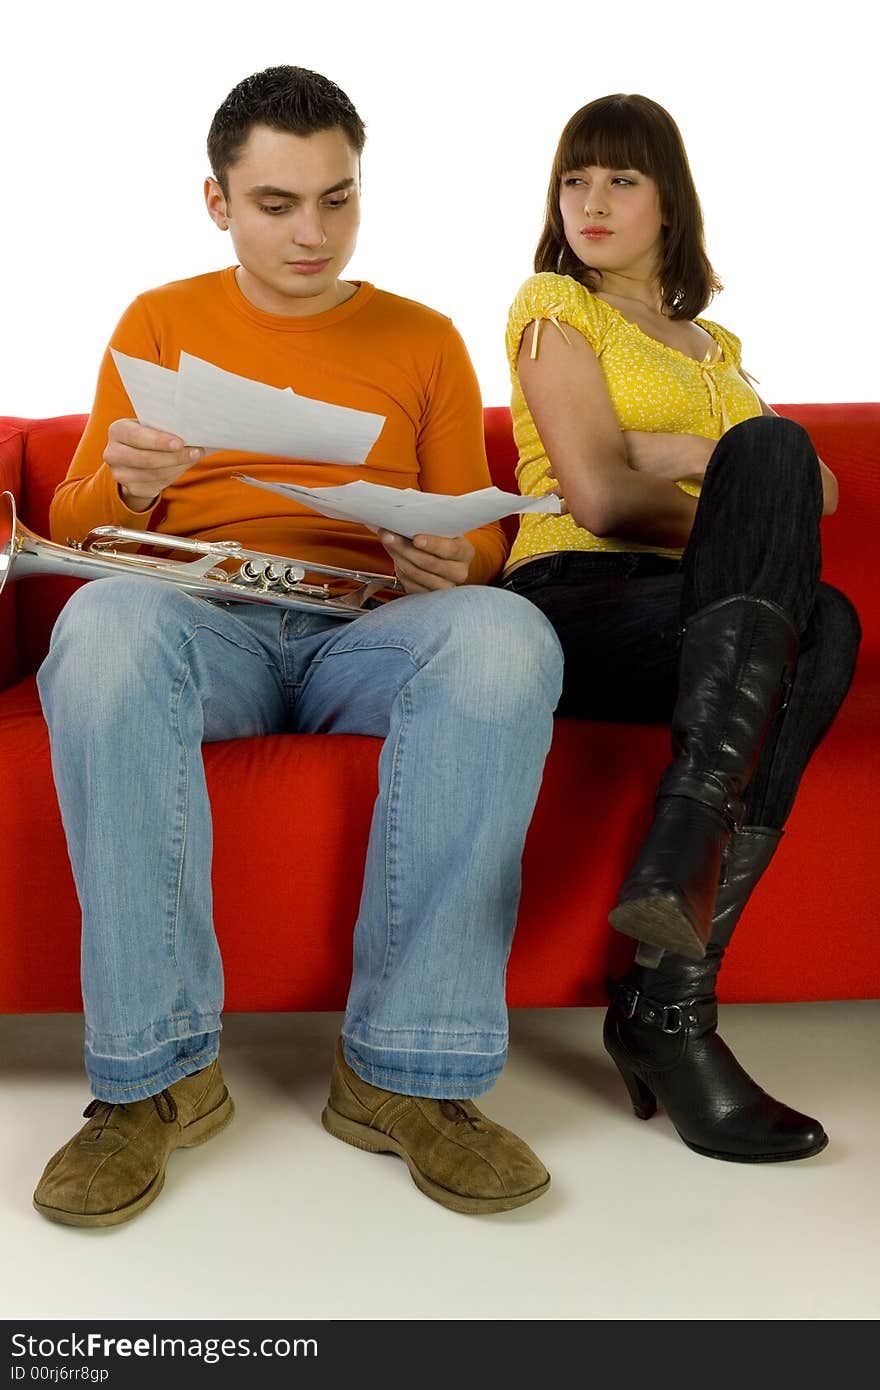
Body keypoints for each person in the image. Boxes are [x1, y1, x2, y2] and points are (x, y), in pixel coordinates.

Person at [32, 65, 564, 1226]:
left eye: (338, 199)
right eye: (277, 204)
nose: (311, 232)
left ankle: (404, 1073)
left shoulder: (422, 337)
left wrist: (453, 564)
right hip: (201, 630)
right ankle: (155, 1081)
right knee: (100, 624)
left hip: (365, 635)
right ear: (218, 203)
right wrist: (125, 481)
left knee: (505, 634)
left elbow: (477, 533)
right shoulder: (159, 317)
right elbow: (71, 518)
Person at [500, 94, 861, 1163]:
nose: (591, 203)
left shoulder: (716, 345)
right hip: (575, 596)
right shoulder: (554, 306)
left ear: (670, 202)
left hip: (698, 621)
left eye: (620, 180)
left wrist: (682, 448)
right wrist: (716, 469)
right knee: (807, 586)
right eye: (575, 179)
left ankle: (666, 994)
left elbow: (817, 489)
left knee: (824, 614)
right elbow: (600, 499)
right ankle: (672, 979)